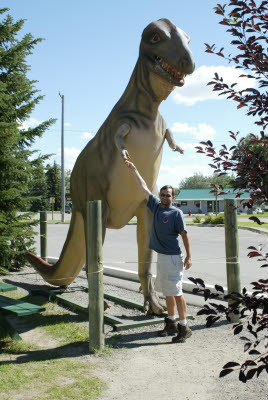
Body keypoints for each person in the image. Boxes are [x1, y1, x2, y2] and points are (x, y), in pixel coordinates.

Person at [125, 160, 192, 343]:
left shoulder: (176, 213)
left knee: (177, 293)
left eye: (168, 195)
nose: (164, 197)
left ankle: (184, 327)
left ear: (173, 197)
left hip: (173, 258)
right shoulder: (155, 207)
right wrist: (135, 169)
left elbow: (185, 236)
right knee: (168, 293)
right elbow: (144, 187)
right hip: (162, 258)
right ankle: (171, 323)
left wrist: (189, 256)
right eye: (162, 195)